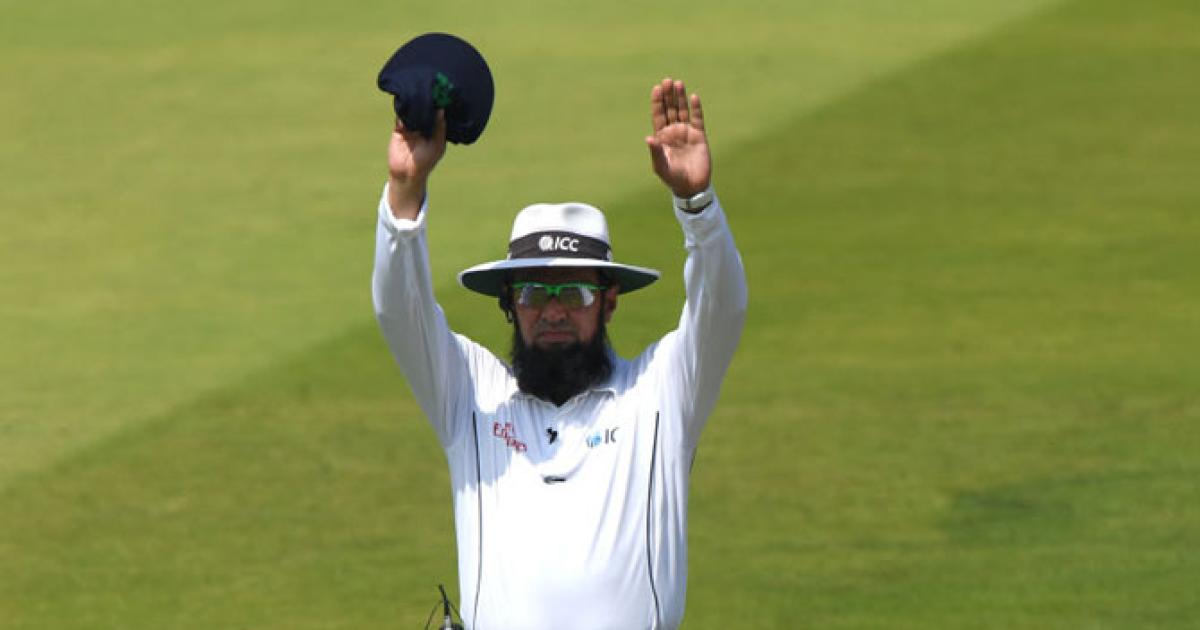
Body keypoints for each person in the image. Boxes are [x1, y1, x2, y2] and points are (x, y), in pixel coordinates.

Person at [373, 77, 747, 629]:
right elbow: (398, 312)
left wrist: (698, 206)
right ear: (508, 304)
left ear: (609, 302)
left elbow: (724, 309)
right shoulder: (473, 396)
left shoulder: (659, 393)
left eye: (573, 294)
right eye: (532, 293)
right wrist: (405, 189)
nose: (552, 313)